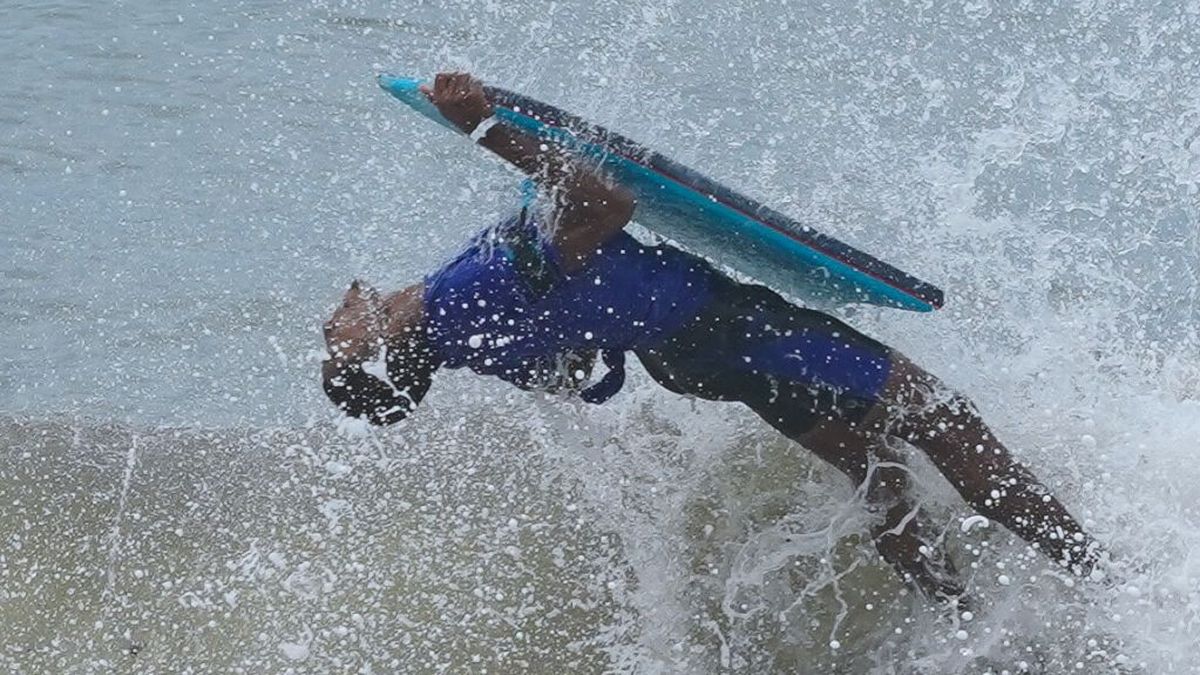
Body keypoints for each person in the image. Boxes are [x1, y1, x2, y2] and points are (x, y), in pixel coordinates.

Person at [321, 72, 1102, 604]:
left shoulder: (464, 341)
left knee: (878, 471)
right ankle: (1109, 582)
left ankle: (959, 618)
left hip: (694, 359)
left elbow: (570, 366)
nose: (334, 323)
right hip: (744, 333)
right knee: (945, 418)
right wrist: (484, 126)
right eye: (342, 339)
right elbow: (605, 207)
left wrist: (585, 291)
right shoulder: (472, 289)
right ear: (380, 342)